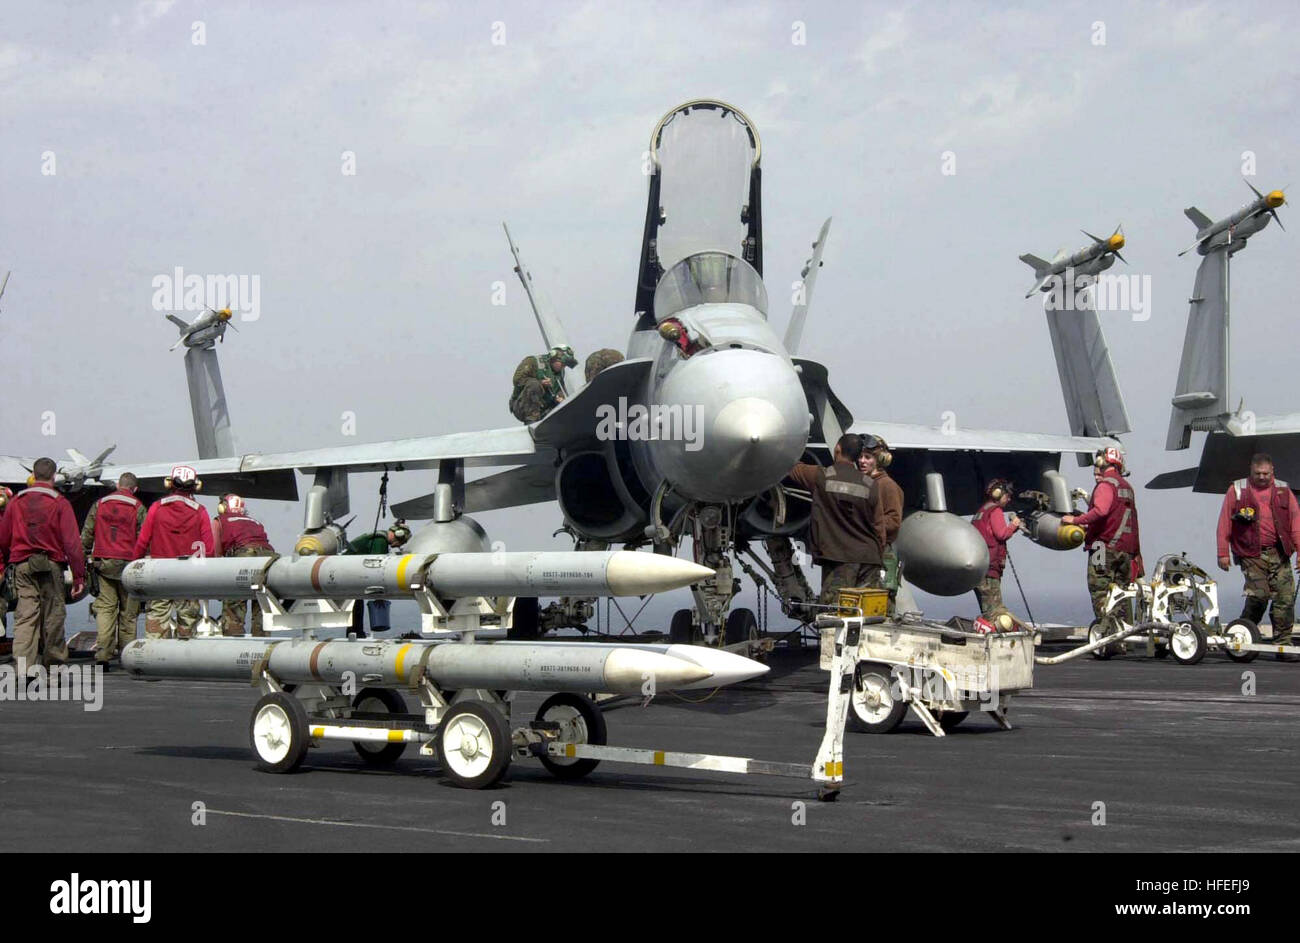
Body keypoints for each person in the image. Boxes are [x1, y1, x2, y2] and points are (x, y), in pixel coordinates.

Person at [0, 458, 86, 678]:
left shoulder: (16, 501)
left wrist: (12, 560)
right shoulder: (60, 502)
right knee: (54, 617)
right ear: (53, 475)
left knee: (25, 617)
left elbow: (3, 538)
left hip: (22, 566)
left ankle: (24, 669)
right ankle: (54, 669)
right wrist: (79, 576)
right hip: (51, 565)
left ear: (33, 475)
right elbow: (72, 543)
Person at [1216, 453, 1300, 660]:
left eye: (1265, 473)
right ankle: (1243, 634)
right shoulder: (1237, 490)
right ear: (1251, 471)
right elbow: (1224, 522)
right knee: (1259, 595)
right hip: (1251, 553)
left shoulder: (1283, 490)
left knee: (1286, 597)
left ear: (1272, 471)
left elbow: (1295, 521)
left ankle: (1283, 645)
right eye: (1258, 473)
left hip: (1278, 552)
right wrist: (1222, 553)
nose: (1262, 477)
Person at [787, 433, 886, 609]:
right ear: (857, 456)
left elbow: (792, 468)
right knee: (869, 616)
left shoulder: (822, 476)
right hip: (869, 559)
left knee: (835, 616)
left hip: (839, 559)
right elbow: (879, 528)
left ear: (837, 449)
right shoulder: (871, 485)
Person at [1063, 447, 1142, 628]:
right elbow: (1128, 520)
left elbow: (1101, 511)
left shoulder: (1106, 485)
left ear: (1101, 462)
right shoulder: (1127, 488)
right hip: (1126, 551)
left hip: (1104, 548)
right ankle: (1122, 634)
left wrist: (1075, 520)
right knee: (1121, 596)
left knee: (1101, 592)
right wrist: (1136, 554)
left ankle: (1108, 636)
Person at [134, 465, 214, 638]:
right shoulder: (200, 511)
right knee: (187, 632)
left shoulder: (156, 507)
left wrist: (134, 564)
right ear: (195, 486)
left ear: (169, 483)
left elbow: (142, 541)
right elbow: (209, 548)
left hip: (158, 575)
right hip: (188, 577)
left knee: (156, 630)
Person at [80, 472, 146, 668]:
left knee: (106, 610)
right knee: (129, 612)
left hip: (103, 564)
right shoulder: (138, 507)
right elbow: (144, 538)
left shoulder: (99, 504)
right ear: (134, 489)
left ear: (118, 485)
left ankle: (103, 655)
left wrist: (84, 556)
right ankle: (127, 656)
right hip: (129, 567)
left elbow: (87, 533)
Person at [212, 494, 276, 637]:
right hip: (268, 559)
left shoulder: (220, 521)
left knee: (234, 603)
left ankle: (233, 645)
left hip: (244, 556)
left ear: (223, 506)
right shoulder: (256, 522)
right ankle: (261, 648)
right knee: (262, 603)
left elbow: (216, 552)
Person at [857, 435, 903, 615]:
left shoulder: (887, 486)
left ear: (880, 460)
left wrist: (864, 524)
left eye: (868, 457)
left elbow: (893, 521)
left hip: (882, 557)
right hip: (868, 555)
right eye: (860, 457)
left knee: (881, 612)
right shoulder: (867, 484)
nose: (862, 461)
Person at [345, 521, 412, 637]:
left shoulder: (378, 538)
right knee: (356, 605)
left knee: (357, 603)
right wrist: (379, 596)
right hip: (348, 573)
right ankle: (355, 632)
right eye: (400, 542)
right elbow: (377, 569)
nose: (397, 546)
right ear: (398, 535)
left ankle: (355, 632)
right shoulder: (380, 541)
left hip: (350, 572)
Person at [970, 479, 1023, 617]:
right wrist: (1014, 525)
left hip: (978, 570)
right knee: (995, 612)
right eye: (1007, 495)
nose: (1009, 499)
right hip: (989, 569)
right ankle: (994, 636)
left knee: (986, 610)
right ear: (998, 494)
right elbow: (1002, 534)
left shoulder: (981, 511)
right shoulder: (995, 510)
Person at [509, 345, 578, 422]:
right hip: (522, 406)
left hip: (544, 409)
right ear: (553, 357)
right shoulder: (533, 362)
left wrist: (561, 399)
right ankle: (531, 420)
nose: (563, 367)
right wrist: (540, 383)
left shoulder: (560, 373)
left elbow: (560, 390)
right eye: (562, 363)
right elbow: (517, 380)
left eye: (565, 365)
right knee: (534, 384)